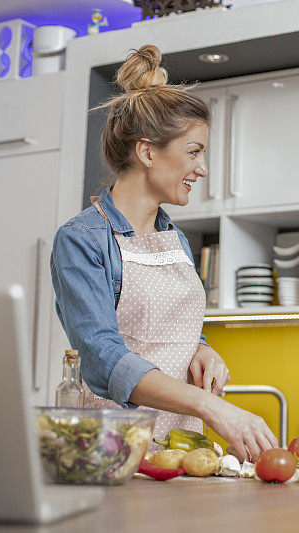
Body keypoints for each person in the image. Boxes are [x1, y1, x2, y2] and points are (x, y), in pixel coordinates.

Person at [50, 45, 277, 461]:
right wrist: (213, 406)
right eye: (194, 152)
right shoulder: (82, 239)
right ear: (148, 151)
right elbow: (103, 358)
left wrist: (201, 349)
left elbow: (168, 329)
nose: (202, 169)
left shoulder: (173, 239)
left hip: (182, 448)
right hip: (116, 452)